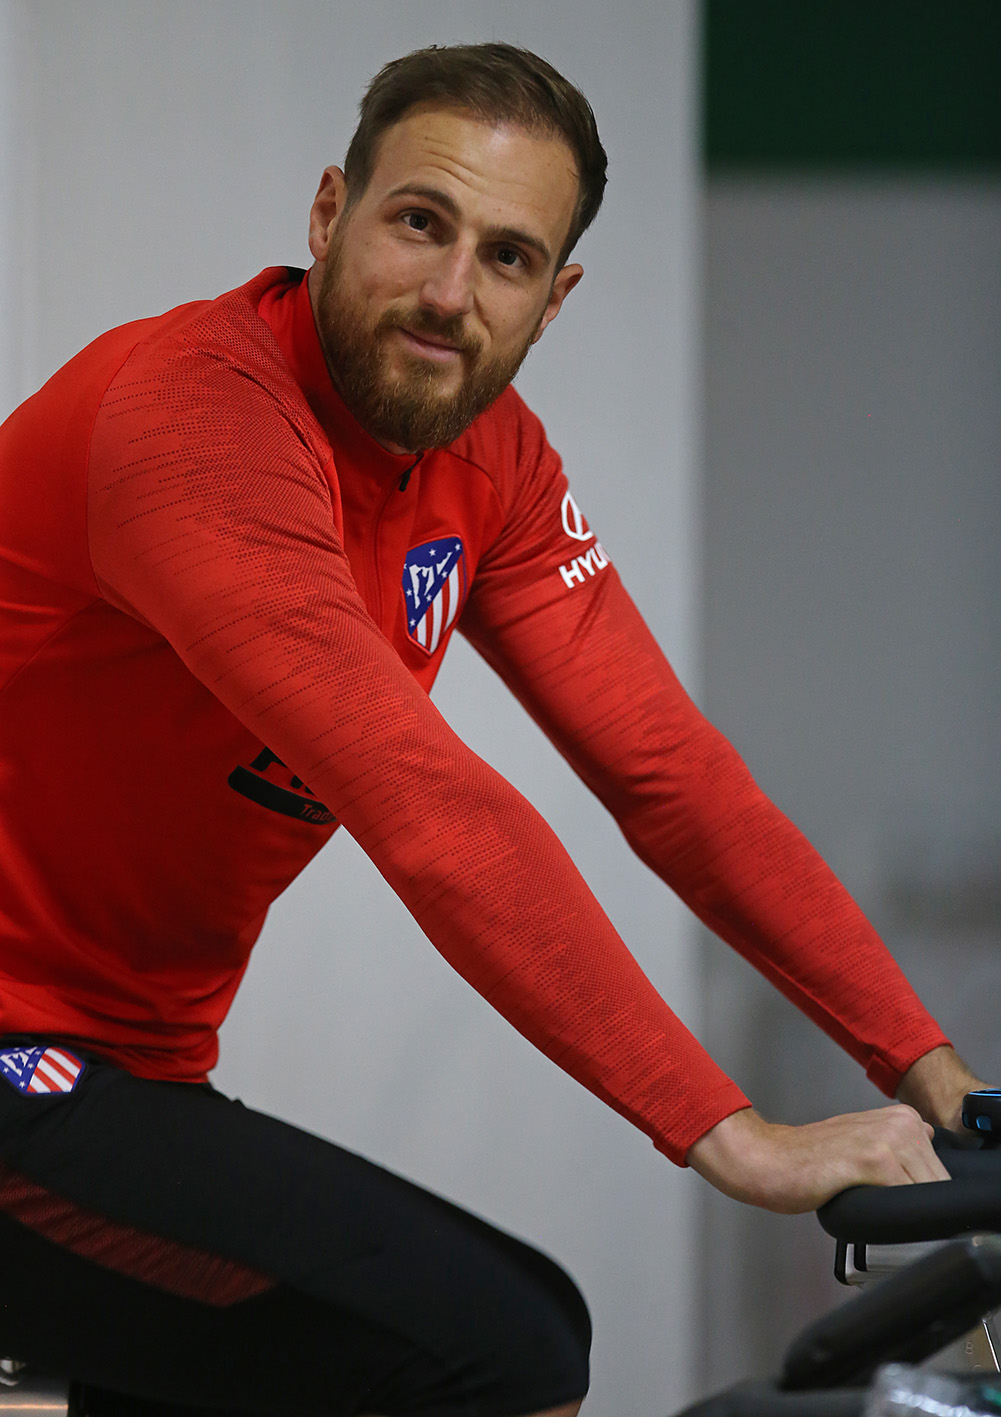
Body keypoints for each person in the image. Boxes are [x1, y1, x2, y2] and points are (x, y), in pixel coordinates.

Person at [0, 39, 983, 1417]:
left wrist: (928, 1068)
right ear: (328, 212)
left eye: (507, 257)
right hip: (25, 1055)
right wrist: (731, 1133)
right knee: (499, 1341)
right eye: (418, 223)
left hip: (128, 1067)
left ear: (555, 296)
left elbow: (670, 777)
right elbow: (428, 807)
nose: (449, 294)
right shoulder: (191, 422)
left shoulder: (487, 459)